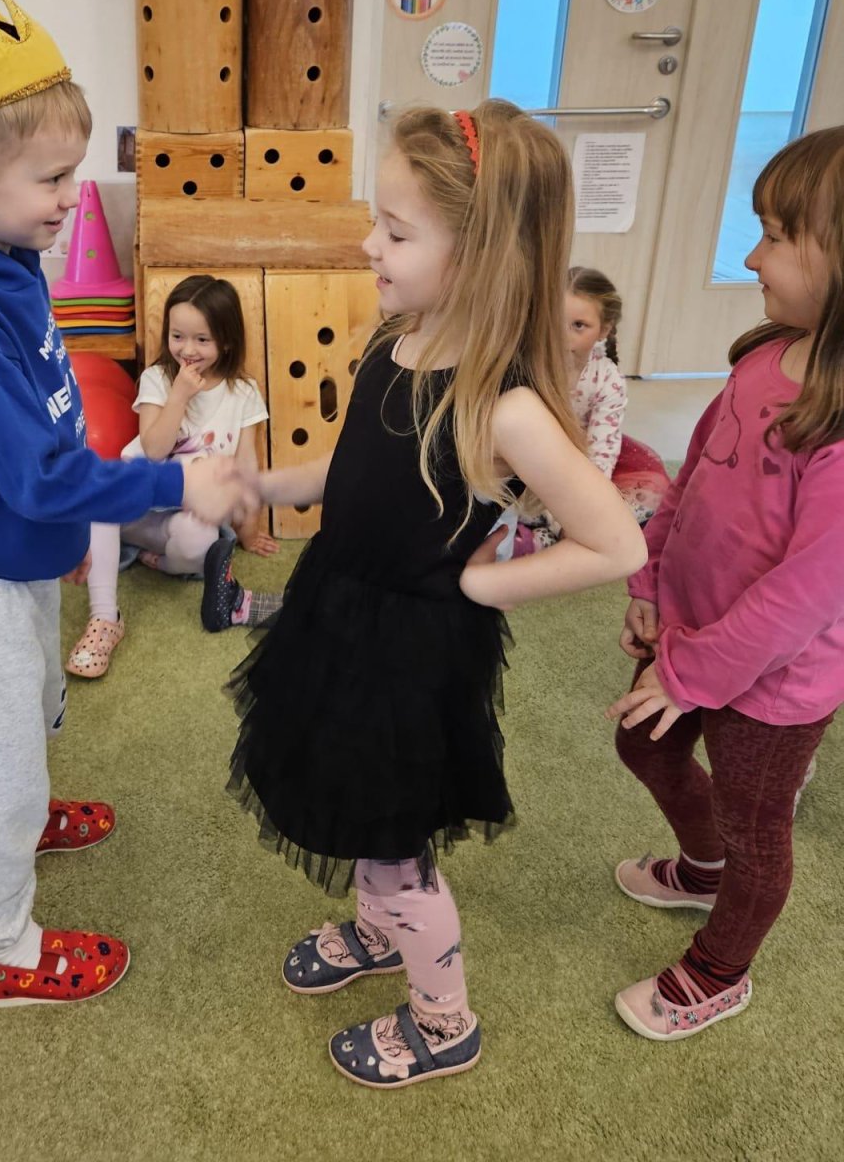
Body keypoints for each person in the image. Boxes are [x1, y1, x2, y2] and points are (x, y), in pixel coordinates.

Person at [227, 101, 646, 1089]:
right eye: (377, 222)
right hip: (340, 611)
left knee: (396, 843)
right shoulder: (397, 339)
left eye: (397, 231)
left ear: (483, 253)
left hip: (409, 653)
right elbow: (351, 467)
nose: (368, 244)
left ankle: (443, 1021)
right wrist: (265, 484)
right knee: (361, 805)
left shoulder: (507, 406)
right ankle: (378, 932)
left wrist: (482, 581)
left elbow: (615, 542)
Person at [0, 0, 248, 1008]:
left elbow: (43, 420)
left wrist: (67, 526)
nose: (76, 198)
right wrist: (172, 479)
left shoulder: (8, 256)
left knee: (29, 707)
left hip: (12, 547)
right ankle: (1, 947)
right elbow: (33, 470)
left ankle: (23, 820)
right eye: (54, 178)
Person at [607, 126, 844, 1041]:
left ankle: (721, 969)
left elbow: (804, 598)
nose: (752, 257)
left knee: (757, 832)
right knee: (645, 748)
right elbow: (692, 478)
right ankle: (701, 870)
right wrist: (652, 583)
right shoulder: (759, 361)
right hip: (691, 636)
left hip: (773, 686)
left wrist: (689, 675)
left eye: (777, 237)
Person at [67, 275, 281, 678]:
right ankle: (103, 618)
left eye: (202, 339)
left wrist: (249, 529)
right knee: (100, 501)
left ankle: (154, 559)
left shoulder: (243, 392)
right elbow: (153, 450)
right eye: (178, 336)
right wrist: (179, 395)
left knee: (202, 545)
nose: (187, 349)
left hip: (186, 513)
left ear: (227, 341)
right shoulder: (158, 379)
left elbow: (248, 464)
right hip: (138, 498)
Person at [514, 266, 670, 552]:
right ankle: (536, 535)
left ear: (604, 330)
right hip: (527, 463)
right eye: (553, 321)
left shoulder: (607, 379)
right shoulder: (525, 364)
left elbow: (601, 455)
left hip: (579, 465)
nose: (561, 336)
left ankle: (548, 535)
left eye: (578, 325)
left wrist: (585, 508)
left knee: (651, 494)